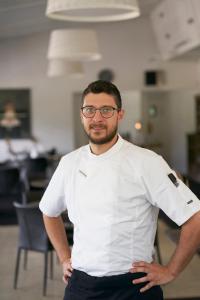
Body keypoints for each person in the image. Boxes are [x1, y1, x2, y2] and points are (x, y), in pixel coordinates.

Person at [39, 80, 200, 300]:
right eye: (90, 110)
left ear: (120, 114)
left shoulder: (147, 162)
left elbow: (195, 218)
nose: (97, 118)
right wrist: (64, 257)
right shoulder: (69, 163)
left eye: (106, 110)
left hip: (133, 287)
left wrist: (171, 270)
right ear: (81, 115)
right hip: (81, 285)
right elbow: (49, 211)